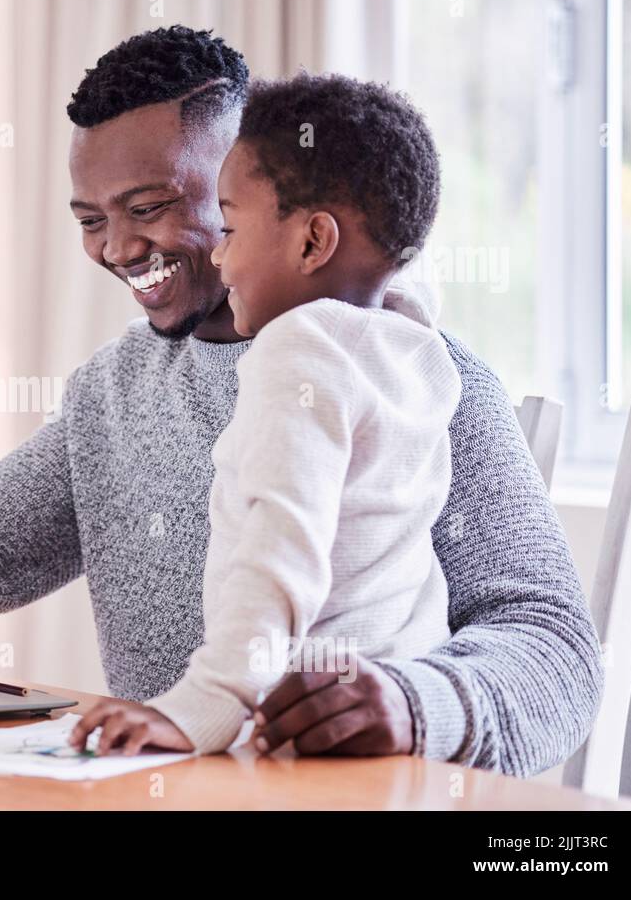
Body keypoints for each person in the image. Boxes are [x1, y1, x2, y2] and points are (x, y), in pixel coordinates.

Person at [0, 26, 601, 775]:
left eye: (150, 207)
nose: (119, 248)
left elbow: (557, 654)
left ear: (250, 178)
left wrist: (417, 703)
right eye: (91, 219)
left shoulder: (424, 375)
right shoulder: (115, 394)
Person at [70, 73, 460, 756]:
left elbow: (281, 546)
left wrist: (205, 704)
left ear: (312, 243)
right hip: (395, 755)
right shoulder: (412, 351)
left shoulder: (298, 351)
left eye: (231, 226)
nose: (219, 255)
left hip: (291, 746)